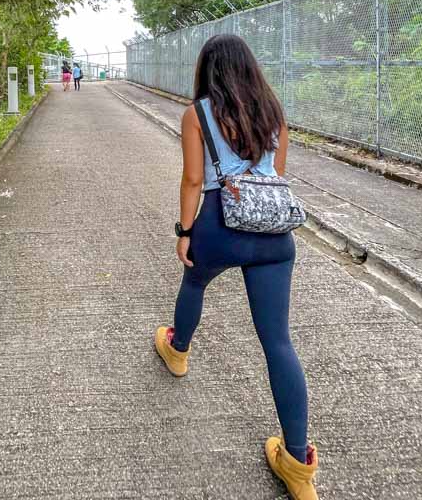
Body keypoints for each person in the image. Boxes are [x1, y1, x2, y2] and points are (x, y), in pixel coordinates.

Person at [154, 34, 317, 499]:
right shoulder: (274, 112)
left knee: (195, 282)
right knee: (278, 341)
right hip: (272, 237)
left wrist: (184, 231)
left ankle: (178, 349)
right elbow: (275, 175)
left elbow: (191, 179)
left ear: (208, 69)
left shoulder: (197, 113)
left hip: (219, 226)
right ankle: (298, 464)